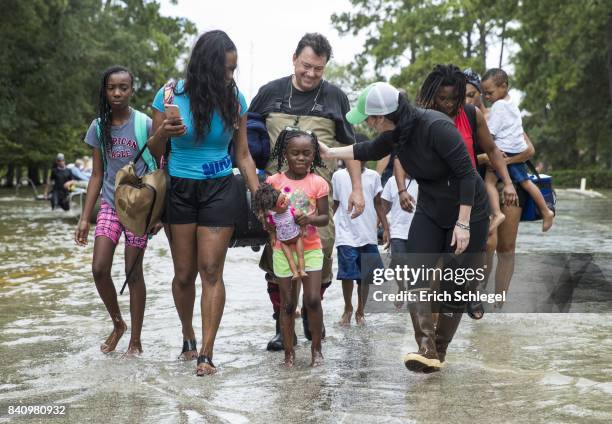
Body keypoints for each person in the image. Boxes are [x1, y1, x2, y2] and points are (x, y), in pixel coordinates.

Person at [320, 81, 490, 373]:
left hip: (468, 210)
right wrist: (330, 153)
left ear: (382, 117)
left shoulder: (436, 126)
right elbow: (367, 148)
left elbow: (465, 173)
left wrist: (463, 223)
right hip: (432, 208)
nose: (369, 125)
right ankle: (427, 349)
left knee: (455, 286)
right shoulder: (398, 134)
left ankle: (440, 350)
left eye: (370, 119)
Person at [148, 31, 259, 376]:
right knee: (184, 275)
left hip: (219, 188)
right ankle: (188, 336)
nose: (231, 77)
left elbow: (242, 154)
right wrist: (164, 132)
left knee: (211, 271)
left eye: (234, 70)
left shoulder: (235, 98)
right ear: (206, 67)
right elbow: (153, 152)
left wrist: (260, 194)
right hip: (179, 189)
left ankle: (206, 354)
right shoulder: (169, 95)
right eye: (225, 70)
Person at [248, 33, 363, 351]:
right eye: (306, 66)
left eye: (319, 69)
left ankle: (314, 317)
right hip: (277, 198)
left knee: (320, 253)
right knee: (278, 258)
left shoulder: (336, 97)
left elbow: (349, 147)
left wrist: (356, 189)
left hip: (317, 195)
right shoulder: (269, 93)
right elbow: (245, 139)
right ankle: (281, 325)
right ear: (294, 58)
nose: (311, 74)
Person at [75, 65, 156, 356]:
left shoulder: (145, 124)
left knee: (133, 274)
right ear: (105, 91)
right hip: (110, 204)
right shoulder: (99, 126)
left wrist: (157, 215)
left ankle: (135, 341)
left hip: (137, 208)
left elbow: (159, 168)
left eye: (123, 87)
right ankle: (118, 323)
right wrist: (85, 217)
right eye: (112, 88)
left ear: (131, 90)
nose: (118, 92)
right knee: (99, 268)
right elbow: (97, 174)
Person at [413, 64, 518, 238]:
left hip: (470, 198)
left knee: (464, 262)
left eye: (455, 98)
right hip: (433, 199)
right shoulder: (423, 118)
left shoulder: (471, 114)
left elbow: (492, 150)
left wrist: (508, 183)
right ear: (433, 95)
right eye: (442, 98)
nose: (449, 104)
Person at [463, 70, 537, 307]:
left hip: (509, 186)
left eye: (471, 95)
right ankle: (478, 294)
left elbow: (528, 150)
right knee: (487, 243)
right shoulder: (462, 122)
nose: (467, 101)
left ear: (481, 95)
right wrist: (489, 158)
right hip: (480, 188)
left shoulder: (499, 115)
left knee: (507, 247)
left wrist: (500, 162)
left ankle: (499, 305)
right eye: (462, 96)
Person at [264, 128, 329, 367]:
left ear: (314, 155)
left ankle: (316, 351)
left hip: (311, 248)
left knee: (312, 299)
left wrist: (309, 219)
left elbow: (324, 218)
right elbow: (265, 212)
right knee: (288, 303)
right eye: (295, 153)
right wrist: (271, 229)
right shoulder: (274, 182)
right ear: (285, 154)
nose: (301, 158)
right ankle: (289, 354)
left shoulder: (318, 183)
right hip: (283, 251)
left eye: (306, 153)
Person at [481, 68, 554, 232]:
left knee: (489, 182)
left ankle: (497, 214)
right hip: (516, 150)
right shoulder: (512, 104)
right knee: (526, 182)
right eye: (484, 93)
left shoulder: (498, 106)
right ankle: (546, 210)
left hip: (502, 151)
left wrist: (489, 152)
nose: (487, 97)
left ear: (503, 86)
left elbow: (490, 134)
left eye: (489, 92)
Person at [332, 160, 387, 326]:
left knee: (365, 277)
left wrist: (386, 227)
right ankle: (348, 307)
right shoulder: (338, 176)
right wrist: (326, 227)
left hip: (368, 234)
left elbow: (378, 203)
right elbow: (335, 204)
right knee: (347, 274)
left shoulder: (374, 176)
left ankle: (360, 310)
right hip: (345, 233)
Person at [253, 183, 308, 281]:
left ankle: (302, 270)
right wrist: (273, 237)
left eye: (285, 198)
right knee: (289, 258)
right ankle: (295, 273)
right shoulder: (273, 217)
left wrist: (303, 229)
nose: (286, 201)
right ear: (272, 209)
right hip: (283, 242)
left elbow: (301, 221)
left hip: (297, 237)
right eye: (282, 203)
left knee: (300, 255)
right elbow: (272, 229)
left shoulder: (291, 211)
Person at [380, 172, 419, 309]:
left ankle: (414, 292)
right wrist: (384, 228)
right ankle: (402, 288)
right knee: (398, 261)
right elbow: (383, 206)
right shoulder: (392, 181)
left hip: (418, 231)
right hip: (397, 231)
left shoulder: (423, 181)